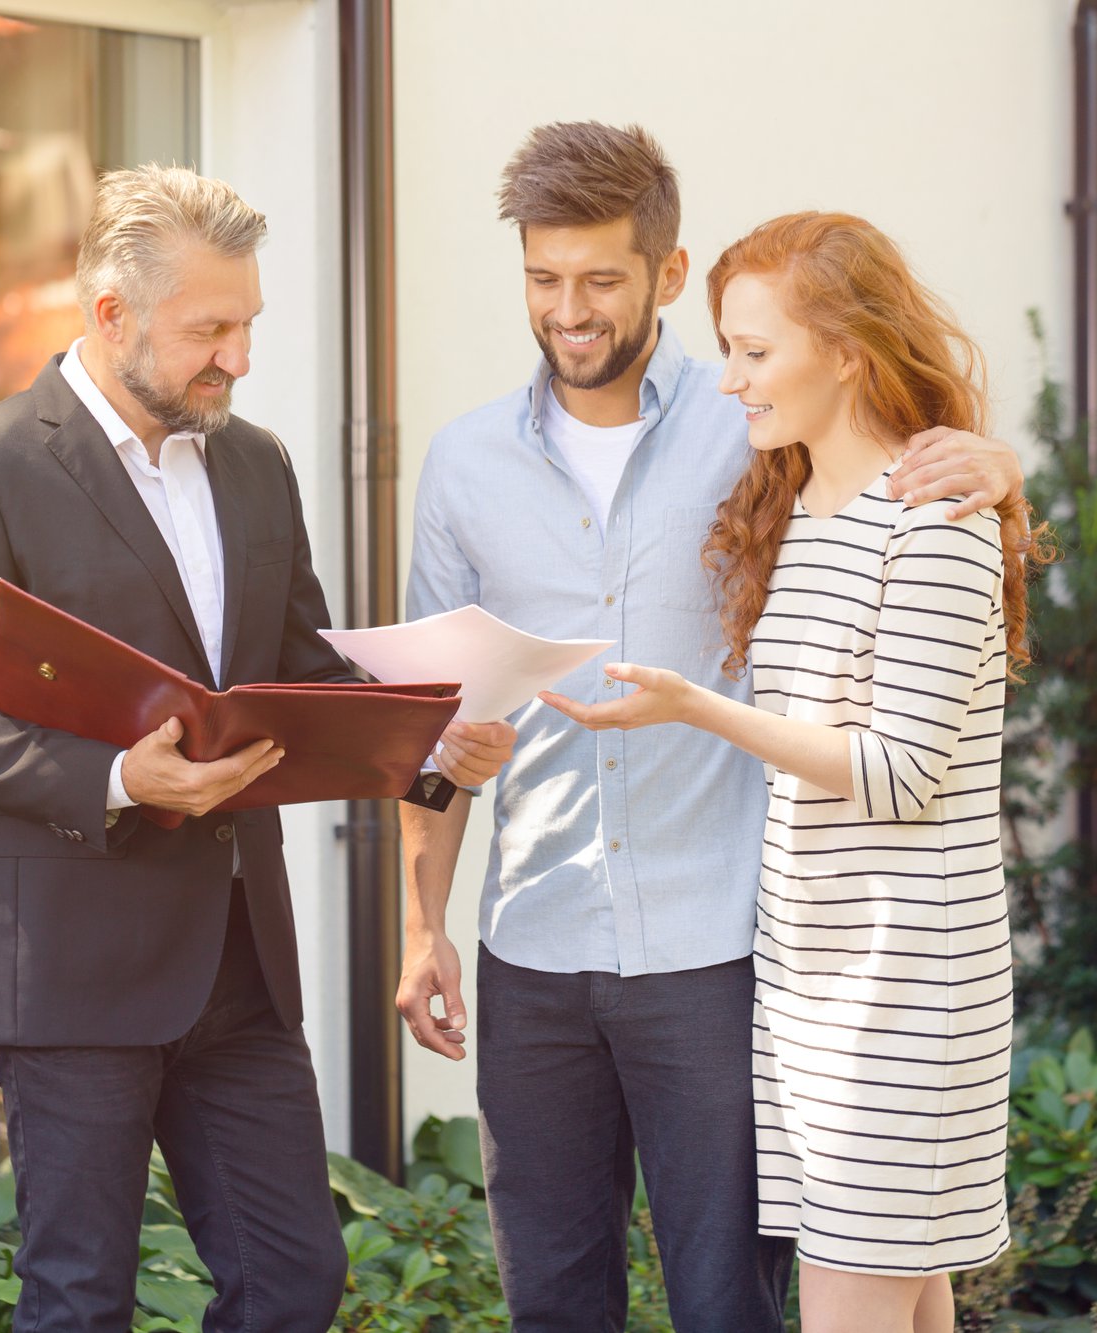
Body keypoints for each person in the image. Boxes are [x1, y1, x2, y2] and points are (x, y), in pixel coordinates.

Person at [396, 122, 1026, 1331]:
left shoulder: (751, 426)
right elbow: (431, 727)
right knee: (553, 1304)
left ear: (665, 274)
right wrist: (419, 920)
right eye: (542, 279)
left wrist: (996, 471)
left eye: (598, 280)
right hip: (531, 947)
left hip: (723, 953)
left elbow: (894, 492)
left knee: (728, 1304)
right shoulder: (462, 464)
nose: (568, 310)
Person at [0, 164, 512, 1333]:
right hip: (70, 968)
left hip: (239, 963)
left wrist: (433, 747)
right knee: (78, 1301)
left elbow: (300, 684)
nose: (236, 355)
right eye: (209, 330)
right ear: (110, 314)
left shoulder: (255, 462)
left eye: (247, 325)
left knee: (293, 1279)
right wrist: (122, 778)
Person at [544, 211, 1047, 1333]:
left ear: (847, 352)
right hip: (813, 988)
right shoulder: (802, 512)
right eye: (725, 348)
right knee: (904, 1306)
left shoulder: (935, 523)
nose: (728, 381)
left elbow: (899, 770)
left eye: (754, 352)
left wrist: (692, 709)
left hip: (901, 993)